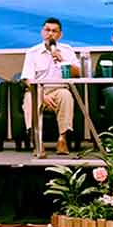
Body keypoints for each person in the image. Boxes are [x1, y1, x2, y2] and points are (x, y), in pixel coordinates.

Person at [20, 17, 80, 154]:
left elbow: (78, 73)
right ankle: (38, 143)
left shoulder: (67, 50)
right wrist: (41, 95)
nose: (50, 34)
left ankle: (62, 140)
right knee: (30, 99)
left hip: (60, 89)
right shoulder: (32, 52)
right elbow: (27, 79)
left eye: (54, 31)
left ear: (60, 35)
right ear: (42, 32)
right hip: (37, 90)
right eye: (47, 30)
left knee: (66, 96)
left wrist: (63, 60)